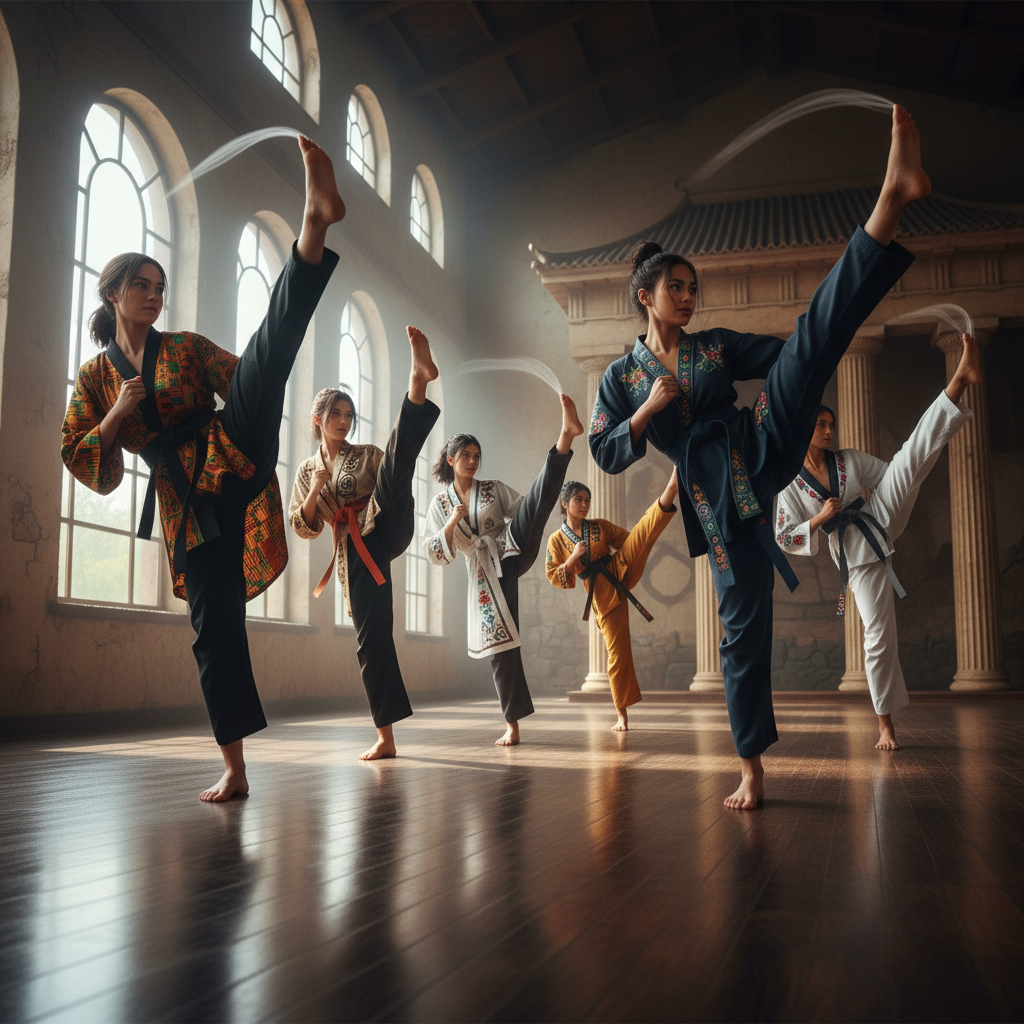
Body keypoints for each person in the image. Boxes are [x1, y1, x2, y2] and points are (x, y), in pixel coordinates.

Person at [588, 105, 931, 809]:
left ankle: (889, 201)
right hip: (715, 495)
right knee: (742, 623)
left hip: (758, 440)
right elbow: (604, 450)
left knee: (811, 337)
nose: (687, 297)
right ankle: (750, 767)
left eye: (692, 289)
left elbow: (786, 356)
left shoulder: (712, 344)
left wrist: (808, 368)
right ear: (645, 296)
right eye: (675, 288)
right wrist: (648, 414)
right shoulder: (618, 380)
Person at [61, 136, 345, 802]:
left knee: (266, 359)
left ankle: (314, 222)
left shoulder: (185, 349)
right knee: (215, 634)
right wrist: (113, 417)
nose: (155, 295)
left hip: (232, 449)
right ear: (113, 293)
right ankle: (236, 769)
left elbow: (244, 375)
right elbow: (81, 455)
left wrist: (261, 389)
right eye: (142, 285)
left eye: (160, 287)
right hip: (188, 506)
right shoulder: (94, 378)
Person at [775, 333, 979, 750]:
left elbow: (888, 474)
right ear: (804, 429)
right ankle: (885, 724)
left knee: (908, 460)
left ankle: (958, 381)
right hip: (854, 550)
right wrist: (820, 518)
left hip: (879, 516)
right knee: (878, 635)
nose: (829, 430)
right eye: (821, 424)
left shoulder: (848, 460)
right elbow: (783, 535)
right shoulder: (790, 484)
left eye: (831, 424)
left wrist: (902, 485)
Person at [289, 328, 440, 760]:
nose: (344, 420)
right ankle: (386, 736)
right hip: (352, 552)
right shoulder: (305, 470)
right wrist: (317, 489)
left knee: (396, 461)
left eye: (349, 413)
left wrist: (380, 492)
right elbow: (304, 526)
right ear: (318, 418)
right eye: (336, 413)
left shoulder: (367, 453)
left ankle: (418, 381)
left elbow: (394, 474)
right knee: (372, 639)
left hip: (383, 524)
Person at [423, 396, 583, 745]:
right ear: (450, 460)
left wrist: (532, 520)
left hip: (510, 549)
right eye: (465, 455)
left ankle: (565, 439)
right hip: (483, 574)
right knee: (501, 646)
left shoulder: (493, 488)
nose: (472, 461)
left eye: (477, 455)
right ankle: (512, 723)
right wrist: (451, 522)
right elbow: (433, 551)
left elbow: (525, 507)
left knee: (536, 504)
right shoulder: (439, 504)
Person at [545, 471, 679, 731]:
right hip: (601, 593)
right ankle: (622, 715)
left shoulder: (600, 526)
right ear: (565, 503)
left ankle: (670, 489)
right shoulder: (556, 540)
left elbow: (629, 540)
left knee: (642, 533)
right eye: (579, 500)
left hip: (620, 568)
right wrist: (573, 557)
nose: (584, 505)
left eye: (588, 500)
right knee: (618, 654)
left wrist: (640, 546)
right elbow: (554, 576)